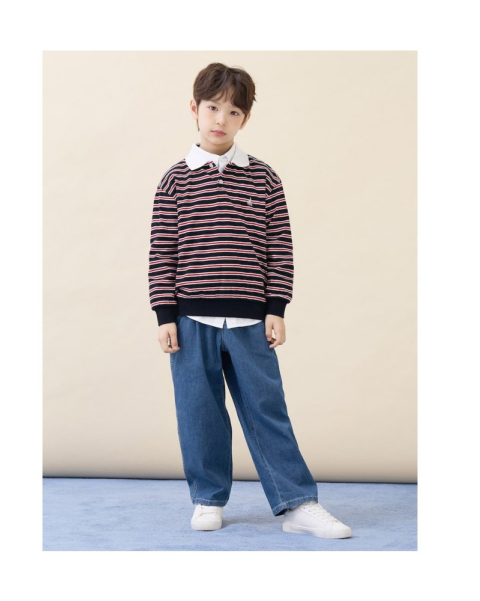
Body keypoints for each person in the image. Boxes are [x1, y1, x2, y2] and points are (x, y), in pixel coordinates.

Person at [148, 62, 352, 539]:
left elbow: (280, 248)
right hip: (190, 320)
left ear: (246, 118)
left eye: (233, 111)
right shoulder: (174, 181)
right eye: (212, 107)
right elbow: (162, 251)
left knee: (267, 410)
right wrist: (164, 315)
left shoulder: (264, 179)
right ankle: (207, 498)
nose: (221, 119)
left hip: (250, 320)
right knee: (199, 413)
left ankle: (297, 504)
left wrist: (276, 307)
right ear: (194, 108)